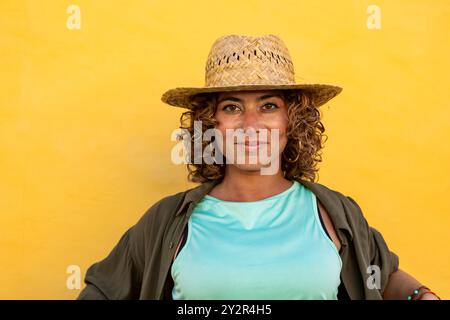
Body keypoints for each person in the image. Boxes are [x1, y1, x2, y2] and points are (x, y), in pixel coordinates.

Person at [77, 34, 440, 300]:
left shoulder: (334, 212)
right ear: (211, 123)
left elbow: (382, 275)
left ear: (292, 121)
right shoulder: (167, 221)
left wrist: (421, 296)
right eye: (232, 107)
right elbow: (104, 290)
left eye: (268, 106)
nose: (250, 123)